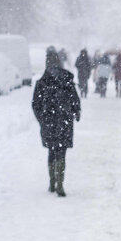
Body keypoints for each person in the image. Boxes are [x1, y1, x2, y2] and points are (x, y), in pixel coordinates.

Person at [31, 47, 81, 198]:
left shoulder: (42, 82)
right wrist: (75, 112)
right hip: (64, 120)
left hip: (49, 121)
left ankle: (53, 181)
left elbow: (35, 104)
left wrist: (42, 118)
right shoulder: (66, 79)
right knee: (61, 152)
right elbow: (74, 99)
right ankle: (60, 183)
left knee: (52, 151)